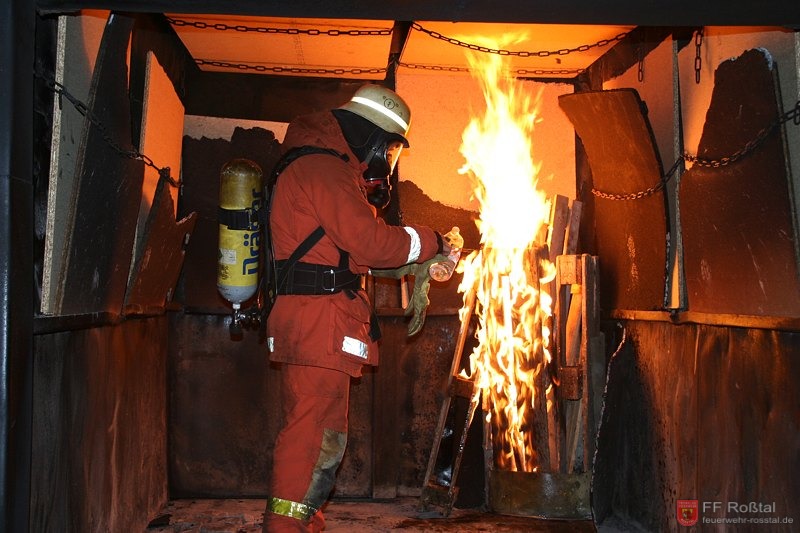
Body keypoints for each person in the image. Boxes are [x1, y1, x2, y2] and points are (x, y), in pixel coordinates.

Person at [263, 84, 449, 532]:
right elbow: (368, 242)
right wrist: (431, 240)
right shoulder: (324, 169)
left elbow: (354, 252)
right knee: (310, 436)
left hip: (317, 322)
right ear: (370, 136)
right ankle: (283, 528)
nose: (383, 159)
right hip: (317, 323)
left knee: (323, 435)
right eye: (386, 146)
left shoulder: (321, 166)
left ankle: (302, 519)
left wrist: (418, 257)